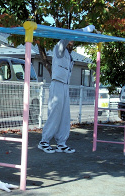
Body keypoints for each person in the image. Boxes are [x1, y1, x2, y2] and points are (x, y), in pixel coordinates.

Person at [38, 25, 96, 154]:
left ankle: (61, 143)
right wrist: (84, 30)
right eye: (71, 38)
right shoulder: (59, 48)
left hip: (65, 85)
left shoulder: (69, 55)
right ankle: (44, 141)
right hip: (57, 84)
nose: (72, 40)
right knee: (54, 113)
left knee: (65, 115)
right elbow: (67, 36)